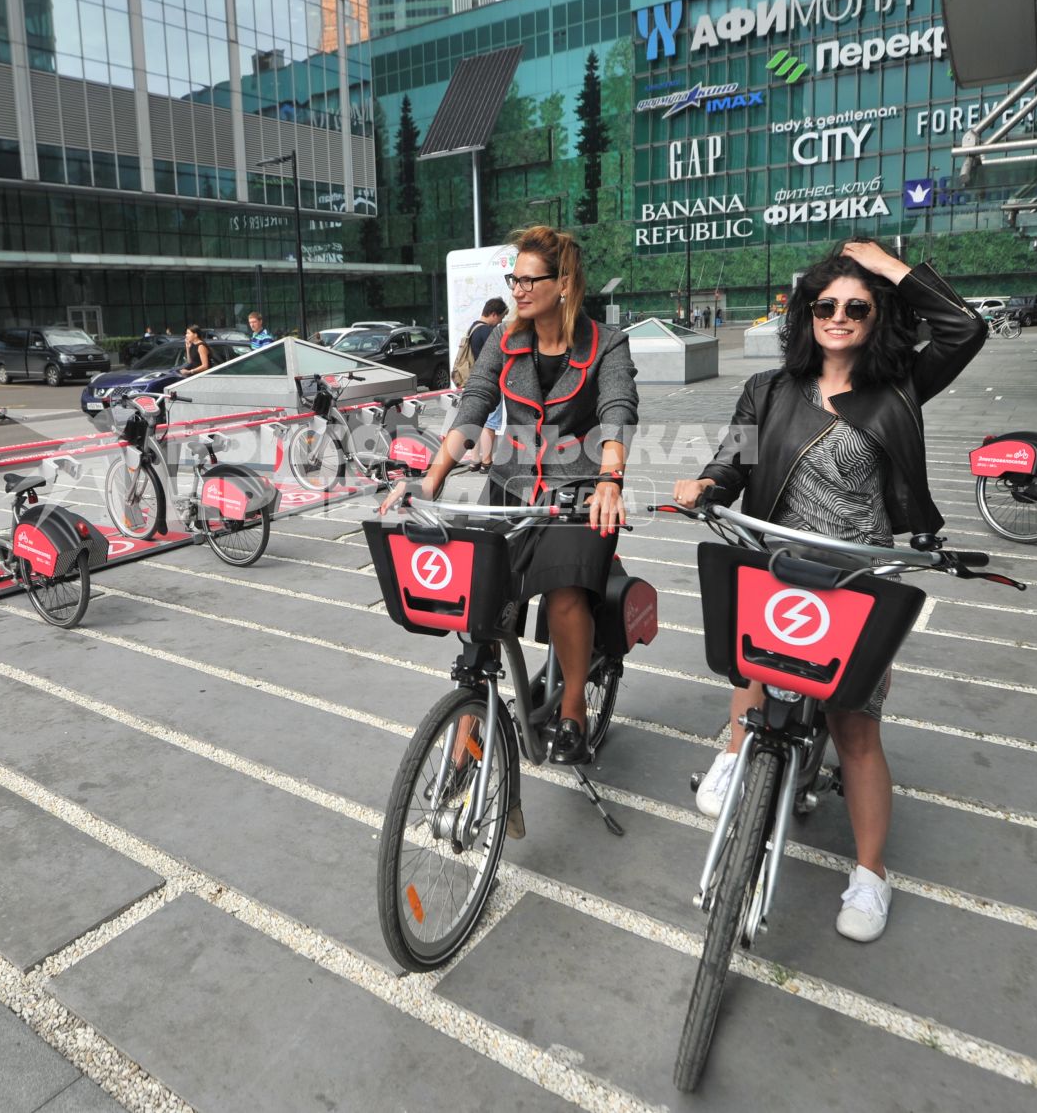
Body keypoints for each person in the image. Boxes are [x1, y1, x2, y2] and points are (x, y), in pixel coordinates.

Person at [673, 237, 985, 944]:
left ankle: (871, 875)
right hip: (777, 564)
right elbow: (731, 461)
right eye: (827, 305)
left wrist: (888, 266)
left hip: (855, 574)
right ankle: (734, 752)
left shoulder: (901, 382)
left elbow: (966, 328)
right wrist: (704, 484)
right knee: (749, 666)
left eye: (857, 306)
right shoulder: (771, 389)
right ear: (806, 313)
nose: (839, 316)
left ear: (877, 315)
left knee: (856, 728)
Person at [384, 225, 638, 770]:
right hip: (512, 489)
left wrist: (610, 478)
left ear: (564, 282)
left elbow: (618, 409)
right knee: (485, 600)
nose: (518, 289)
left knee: (567, 594)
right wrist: (433, 478)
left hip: (580, 493)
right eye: (513, 278)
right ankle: (470, 720)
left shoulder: (606, 343)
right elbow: (474, 404)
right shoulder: (506, 339)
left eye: (530, 279)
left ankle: (573, 709)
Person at [454, 297, 509, 469]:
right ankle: (486, 461)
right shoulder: (487, 331)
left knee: (479, 422)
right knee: (490, 423)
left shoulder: (473, 328)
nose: (500, 322)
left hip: (474, 379)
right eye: (500, 317)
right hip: (489, 381)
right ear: (493, 314)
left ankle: (475, 460)